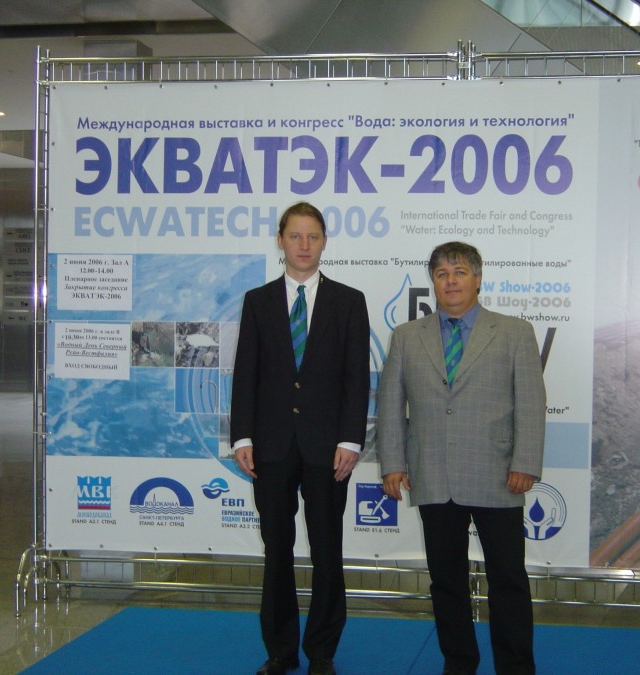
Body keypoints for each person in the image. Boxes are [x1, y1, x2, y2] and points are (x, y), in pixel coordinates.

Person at [377, 241, 546, 675]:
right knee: (446, 582)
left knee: (508, 579)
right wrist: (392, 463)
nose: (450, 281)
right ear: (433, 282)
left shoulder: (514, 332)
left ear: (477, 278)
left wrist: (525, 462)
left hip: (498, 474)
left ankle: (515, 667)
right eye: (442, 274)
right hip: (433, 474)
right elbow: (391, 405)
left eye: (459, 272)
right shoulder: (406, 336)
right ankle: (459, 662)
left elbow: (531, 402)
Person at [230, 201, 370, 675]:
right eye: (295, 236)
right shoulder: (258, 301)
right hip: (270, 446)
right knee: (277, 550)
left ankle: (322, 651)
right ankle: (280, 650)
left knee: (327, 550)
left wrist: (351, 440)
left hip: (329, 448)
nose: (304, 245)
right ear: (280, 241)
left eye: (313, 236)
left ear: (324, 241)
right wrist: (242, 436)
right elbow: (245, 374)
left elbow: (357, 378)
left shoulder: (349, 301)